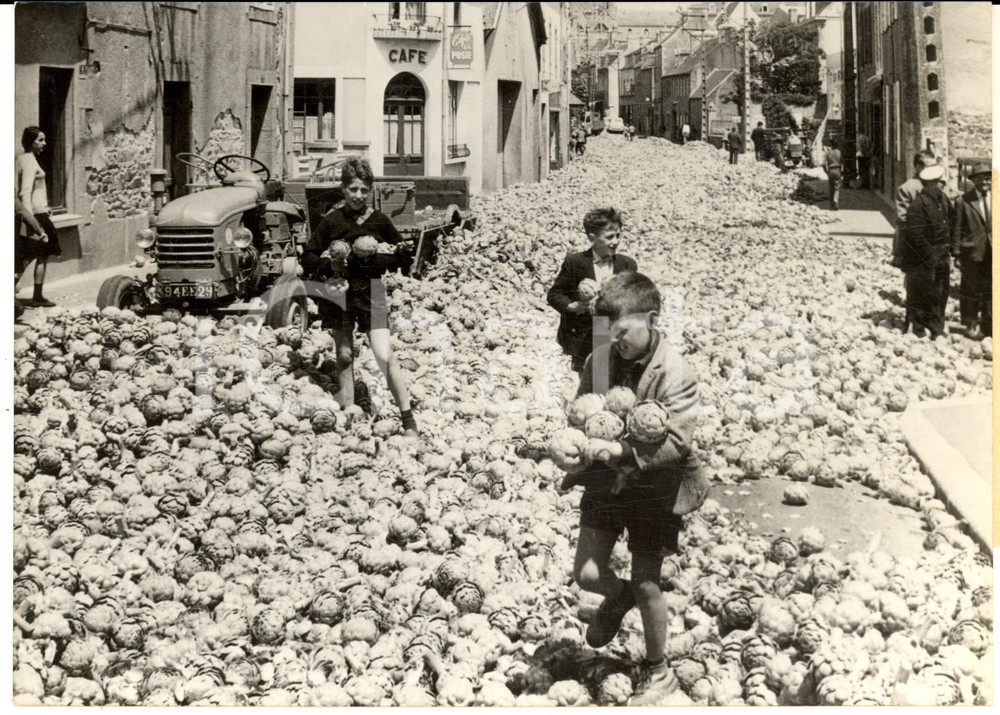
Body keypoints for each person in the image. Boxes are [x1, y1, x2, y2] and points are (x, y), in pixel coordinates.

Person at [561, 271, 704, 706]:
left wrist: (619, 452)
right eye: (608, 332)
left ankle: (660, 671)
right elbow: (583, 414)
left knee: (646, 582)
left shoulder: (676, 371)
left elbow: (675, 442)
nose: (615, 340)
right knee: (585, 572)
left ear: (652, 319)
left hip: (655, 487)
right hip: (606, 480)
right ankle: (617, 598)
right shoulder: (599, 360)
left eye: (623, 331)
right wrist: (573, 450)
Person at [301, 157, 419, 435]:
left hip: (371, 293)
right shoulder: (331, 221)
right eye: (353, 189)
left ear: (371, 191)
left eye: (364, 190)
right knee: (343, 355)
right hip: (338, 294)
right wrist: (330, 266)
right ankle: (350, 417)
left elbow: (402, 255)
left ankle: (408, 418)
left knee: (383, 354)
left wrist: (385, 257)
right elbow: (307, 256)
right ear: (343, 189)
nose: (358, 195)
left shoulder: (378, 220)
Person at [548, 208, 638, 374]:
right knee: (586, 385)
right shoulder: (574, 263)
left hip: (615, 335)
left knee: (613, 382)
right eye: (610, 236)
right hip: (583, 336)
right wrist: (571, 307)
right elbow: (554, 295)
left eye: (618, 235)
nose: (616, 241)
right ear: (592, 238)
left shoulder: (627, 265)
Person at [901, 164, 952, 339]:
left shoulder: (943, 200)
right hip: (923, 259)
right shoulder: (918, 206)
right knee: (922, 292)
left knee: (941, 292)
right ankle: (919, 328)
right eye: (939, 182)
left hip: (942, 255)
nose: (942, 185)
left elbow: (949, 223)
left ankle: (936, 327)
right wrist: (931, 254)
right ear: (929, 184)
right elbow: (916, 236)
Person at [15, 126, 61, 307]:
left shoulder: (27, 159)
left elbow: (35, 191)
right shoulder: (28, 161)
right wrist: (30, 221)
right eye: (40, 140)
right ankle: (36, 296)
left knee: (36, 255)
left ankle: (37, 295)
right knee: (28, 256)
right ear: (30, 142)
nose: (44, 143)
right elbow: (25, 193)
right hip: (35, 215)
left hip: (39, 212)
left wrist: (45, 206)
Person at [952, 161, 992, 338]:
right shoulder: (963, 201)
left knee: (991, 289)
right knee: (970, 289)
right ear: (974, 181)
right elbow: (957, 229)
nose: (985, 183)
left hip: (992, 252)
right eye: (981, 180)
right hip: (972, 252)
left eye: (988, 180)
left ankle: (988, 325)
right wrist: (956, 253)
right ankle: (970, 323)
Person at [892, 153, 935, 268]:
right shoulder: (907, 188)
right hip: (915, 245)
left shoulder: (937, 185)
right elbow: (903, 219)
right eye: (929, 167)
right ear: (918, 167)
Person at [823, 141, 844, 210]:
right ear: (837, 145)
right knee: (837, 187)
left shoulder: (828, 153)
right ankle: (835, 200)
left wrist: (826, 172)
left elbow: (823, 164)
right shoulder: (839, 152)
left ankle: (831, 204)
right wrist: (842, 171)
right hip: (838, 170)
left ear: (831, 145)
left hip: (831, 170)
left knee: (831, 188)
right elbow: (843, 162)